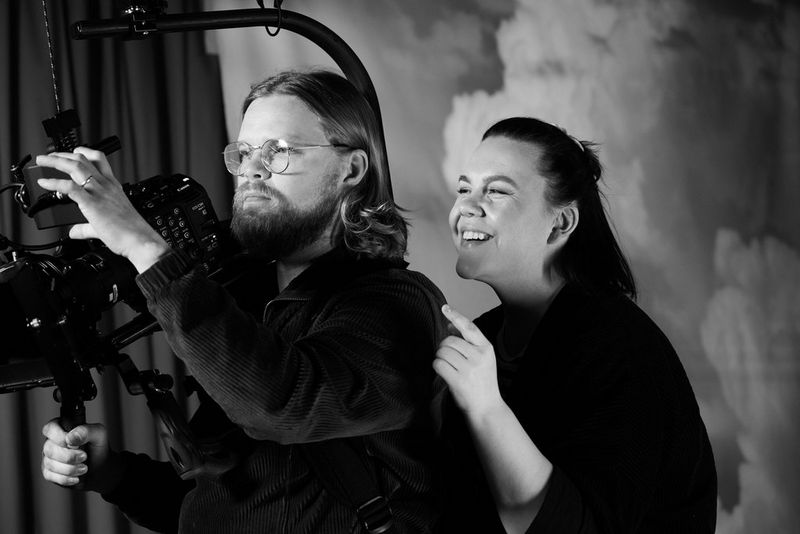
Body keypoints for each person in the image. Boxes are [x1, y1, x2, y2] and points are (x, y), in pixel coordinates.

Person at [37, 69, 447, 534]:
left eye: (281, 152)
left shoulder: (397, 305)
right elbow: (217, 507)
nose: (253, 168)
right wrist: (110, 472)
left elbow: (281, 405)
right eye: (246, 152)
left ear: (351, 169)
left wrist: (146, 249)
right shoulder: (249, 296)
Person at [432, 117, 717, 533]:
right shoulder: (485, 337)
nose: (467, 207)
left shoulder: (621, 349)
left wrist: (486, 408)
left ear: (561, 223)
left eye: (495, 191)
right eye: (463, 189)